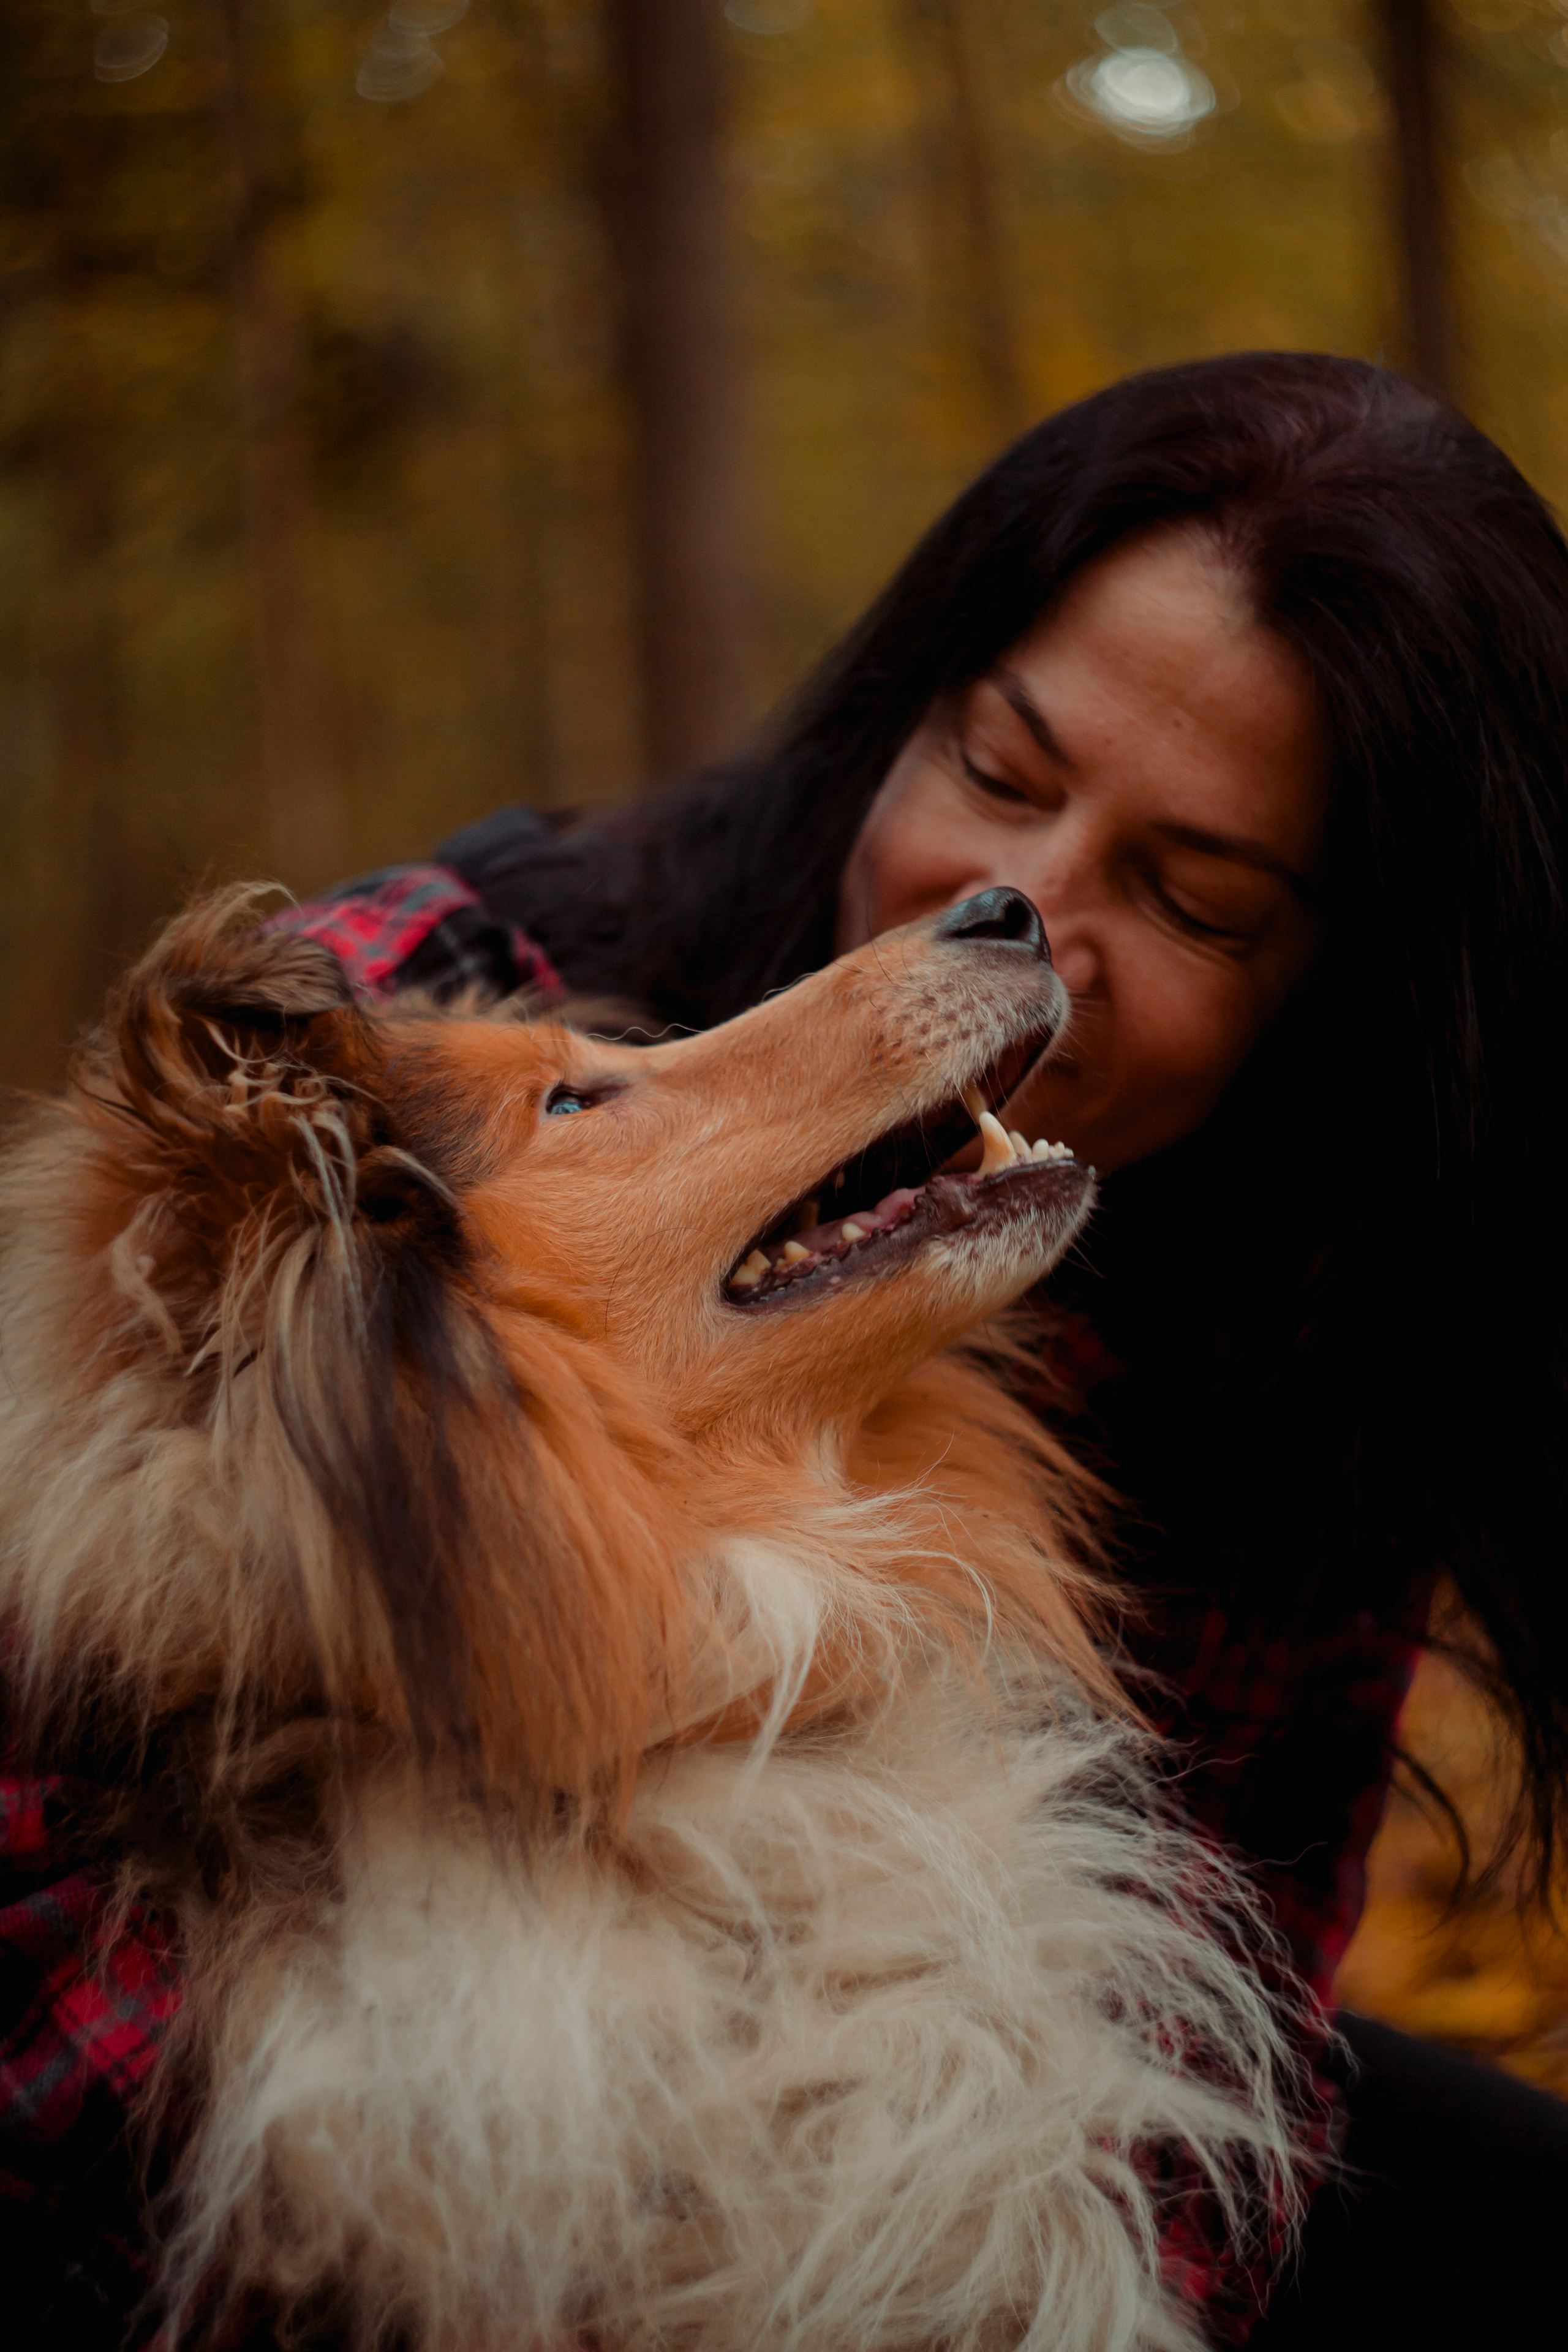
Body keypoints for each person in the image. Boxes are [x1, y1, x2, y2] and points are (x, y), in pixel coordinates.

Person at [6, 350, 1568, 2343]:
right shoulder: (426, 995)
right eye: (1002, 770)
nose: (1030, 908)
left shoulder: (1327, 1301)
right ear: (903, 700)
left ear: (1339, 998)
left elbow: (1224, 1995)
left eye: (1191, 893)